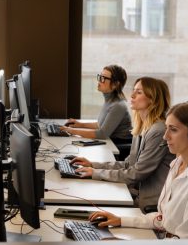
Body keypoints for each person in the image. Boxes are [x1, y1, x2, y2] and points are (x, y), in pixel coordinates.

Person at [88, 101, 188, 239]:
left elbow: (185, 243)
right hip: (162, 243)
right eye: (166, 128)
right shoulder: (177, 164)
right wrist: (120, 220)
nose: (165, 136)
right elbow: (162, 219)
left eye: (173, 129)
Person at [69, 77, 175, 211]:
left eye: (139, 92)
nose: (132, 95)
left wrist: (95, 172)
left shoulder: (158, 131)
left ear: (153, 99)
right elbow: (129, 164)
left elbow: (136, 173)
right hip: (135, 193)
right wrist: (92, 165)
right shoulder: (142, 127)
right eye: (133, 91)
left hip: (150, 204)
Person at [61, 64, 132, 147]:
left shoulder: (118, 106)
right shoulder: (110, 101)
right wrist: (80, 125)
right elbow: (100, 125)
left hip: (118, 146)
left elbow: (102, 134)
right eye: (100, 77)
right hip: (110, 142)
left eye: (103, 78)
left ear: (115, 84)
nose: (99, 81)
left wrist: (71, 130)